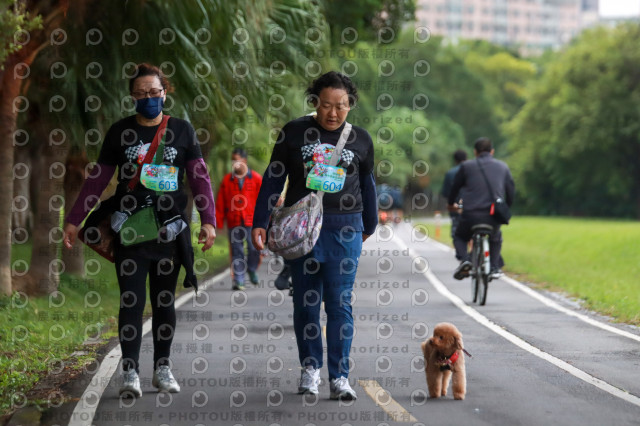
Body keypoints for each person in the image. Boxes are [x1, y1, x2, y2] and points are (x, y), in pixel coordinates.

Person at [62, 63, 216, 397]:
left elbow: (199, 177)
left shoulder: (183, 131)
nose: (148, 98)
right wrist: (73, 220)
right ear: (133, 97)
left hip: (169, 233)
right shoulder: (120, 132)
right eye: (141, 94)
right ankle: (130, 372)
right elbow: (98, 179)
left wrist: (209, 221)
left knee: (164, 303)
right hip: (130, 232)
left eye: (154, 92)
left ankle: (162, 367)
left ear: (165, 93)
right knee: (131, 301)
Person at [251, 71, 377, 401]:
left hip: (344, 228)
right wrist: (260, 222)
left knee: (339, 303)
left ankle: (340, 376)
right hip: (302, 230)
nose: (332, 113)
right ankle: (310, 369)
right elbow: (273, 178)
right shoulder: (294, 132)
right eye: (325, 105)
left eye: (341, 106)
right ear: (314, 103)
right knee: (307, 303)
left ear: (350, 105)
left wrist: (370, 225)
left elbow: (367, 184)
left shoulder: (361, 139)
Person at [448, 137, 514, 280]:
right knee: (496, 237)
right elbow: (510, 192)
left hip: (470, 214)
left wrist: (451, 203)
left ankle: (465, 260)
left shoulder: (466, 167)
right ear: (492, 151)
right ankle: (495, 267)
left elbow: (455, 188)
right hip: (492, 215)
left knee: (459, 236)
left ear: (475, 152)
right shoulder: (503, 167)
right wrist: (505, 208)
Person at [215, 148, 262, 291]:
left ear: (245, 160)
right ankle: (239, 280)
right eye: (232, 160)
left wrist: (265, 221)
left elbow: (263, 200)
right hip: (234, 220)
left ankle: (252, 268)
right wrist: (217, 222)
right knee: (237, 251)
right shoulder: (227, 180)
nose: (234, 162)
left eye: (237, 159)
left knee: (254, 248)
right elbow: (221, 202)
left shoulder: (255, 178)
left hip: (251, 221)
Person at [441, 149, 467, 241]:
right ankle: (472, 252)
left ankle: (462, 253)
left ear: (455, 160)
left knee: (457, 234)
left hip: (456, 207)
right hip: (472, 205)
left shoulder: (450, 173)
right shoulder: (473, 171)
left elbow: (445, 193)